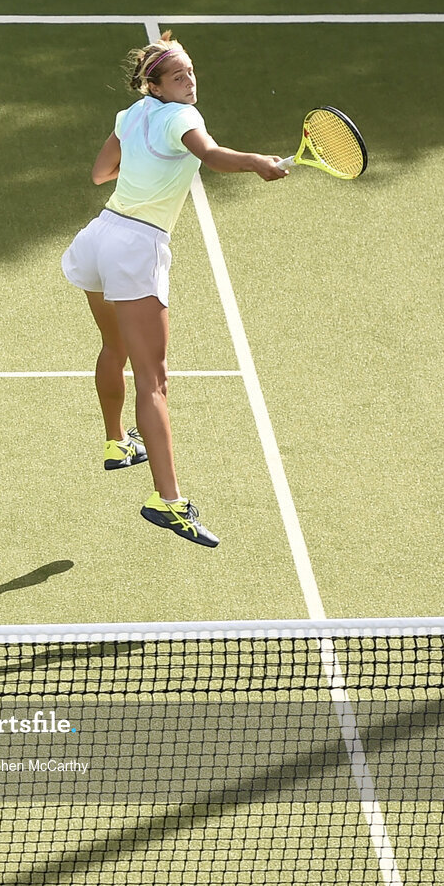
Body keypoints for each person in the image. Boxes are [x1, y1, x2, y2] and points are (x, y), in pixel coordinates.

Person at [61, 31, 287, 548]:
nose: (191, 82)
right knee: (154, 381)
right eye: (180, 75)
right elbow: (209, 154)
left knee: (114, 346)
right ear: (156, 84)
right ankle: (169, 503)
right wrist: (255, 162)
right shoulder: (183, 118)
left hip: (99, 236)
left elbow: (101, 174)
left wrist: (145, 167)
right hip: (137, 248)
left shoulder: (130, 114)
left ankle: (118, 443)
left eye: (191, 72)